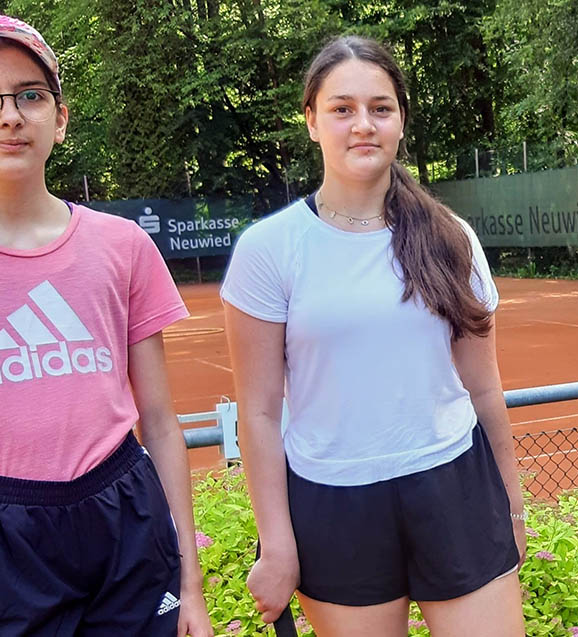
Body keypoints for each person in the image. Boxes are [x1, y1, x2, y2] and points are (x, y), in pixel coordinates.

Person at [0, 10, 212, 636]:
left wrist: (189, 584)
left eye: (31, 96)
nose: (9, 115)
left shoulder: (123, 246)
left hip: (126, 513)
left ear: (60, 120)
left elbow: (164, 427)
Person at [221, 35, 525, 636]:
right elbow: (258, 412)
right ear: (311, 121)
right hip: (334, 505)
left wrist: (511, 506)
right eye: (342, 109)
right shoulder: (268, 250)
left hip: (456, 486)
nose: (363, 124)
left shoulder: (451, 238)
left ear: (401, 120)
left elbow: (485, 392)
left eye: (380, 108)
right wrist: (276, 542)